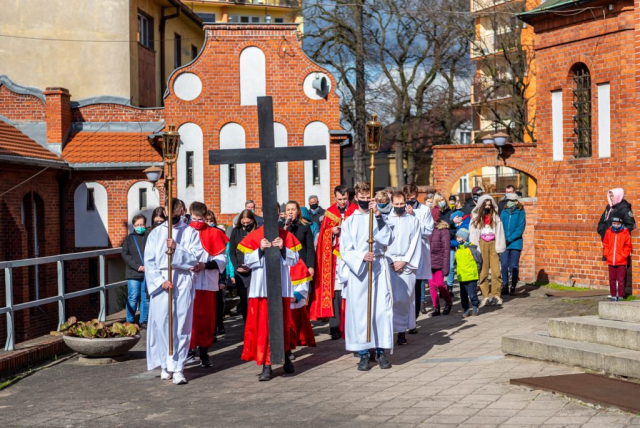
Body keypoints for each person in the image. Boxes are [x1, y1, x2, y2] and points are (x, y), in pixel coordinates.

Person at [144, 199, 204, 385]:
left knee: (181, 324)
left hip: (182, 279)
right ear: (165, 213)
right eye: (169, 213)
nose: (173, 216)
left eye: (176, 213)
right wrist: (159, 281)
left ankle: (178, 367)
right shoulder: (155, 234)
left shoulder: (190, 233)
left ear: (182, 211)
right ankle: (165, 363)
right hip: (163, 281)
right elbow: (149, 261)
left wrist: (177, 248)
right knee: (162, 323)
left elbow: (195, 258)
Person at [339, 181, 394, 371]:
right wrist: (361, 257)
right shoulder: (349, 221)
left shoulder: (378, 216)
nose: (364, 200)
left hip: (378, 266)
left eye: (367, 197)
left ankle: (380, 351)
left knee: (380, 311)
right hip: (360, 271)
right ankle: (363, 353)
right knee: (361, 312)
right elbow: (345, 249)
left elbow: (387, 239)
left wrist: (377, 215)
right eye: (361, 198)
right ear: (355, 198)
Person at [238, 218, 301, 381]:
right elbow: (247, 262)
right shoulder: (255, 236)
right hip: (262, 289)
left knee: (283, 324)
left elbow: (294, 260)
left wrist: (283, 248)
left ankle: (285, 355)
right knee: (263, 328)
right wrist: (259, 249)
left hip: (281, 288)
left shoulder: (286, 235)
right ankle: (266, 364)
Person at [310, 185, 357, 340]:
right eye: (339, 199)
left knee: (352, 290)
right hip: (335, 258)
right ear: (335, 198)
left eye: (345, 199)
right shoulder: (330, 213)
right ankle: (335, 326)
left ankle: (352, 325)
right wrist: (331, 232)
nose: (342, 202)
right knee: (336, 291)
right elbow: (323, 234)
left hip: (352, 257)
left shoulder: (355, 210)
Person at [186, 202, 229, 368]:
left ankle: (204, 352)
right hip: (188, 282)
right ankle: (189, 350)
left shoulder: (214, 233)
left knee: (205, 320)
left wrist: (205, 265)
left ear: (206, 217)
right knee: (189, 319)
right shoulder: (184, 232)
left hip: (207, 282)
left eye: (200, 219)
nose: (197, 222)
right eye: (194, 219)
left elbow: (222, 259)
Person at [385, 190, 422, 346]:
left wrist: (405, 261)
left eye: (402, 203)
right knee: (389, 298)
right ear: (391, 203)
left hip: (407, 263)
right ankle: (388, 331)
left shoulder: (413, 220)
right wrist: (392, 260)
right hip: (390, 262)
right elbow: (382, 242)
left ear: (406, 203)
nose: (399, 206)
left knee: (404, 298)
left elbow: (415, 242)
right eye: (396, 204)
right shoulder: (386, 220)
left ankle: (401, 331)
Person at [403, 183, 434, 330]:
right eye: (407, 198)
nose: (409, 201)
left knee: (416, 288)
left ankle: (413, 321)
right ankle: (404, 320)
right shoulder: (399, 208)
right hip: (404, 254)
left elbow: (428, 231)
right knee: (404, 289)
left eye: (412, 198)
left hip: (419, 252)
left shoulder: (424, 210)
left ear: (417, 196)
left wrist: (413, 217)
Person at [470, 195, 506, 307]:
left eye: (489, 205)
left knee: (496, 271)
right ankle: (485, 296)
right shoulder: (476, 217)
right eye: (485, 205)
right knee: (483, 271)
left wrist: (500, 246)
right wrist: (475, 247)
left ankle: (496, 295)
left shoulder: (496, 217)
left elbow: (500, 232)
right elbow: (473, 233)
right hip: (482, 243)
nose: (487, 207)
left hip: (494, 243)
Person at [121, 214, 150, 329]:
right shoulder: (129, 239)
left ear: (145, 224)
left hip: (147, 272)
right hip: (133, 273)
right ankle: (130, 321)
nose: (140, 227)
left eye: (142, 224)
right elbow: (125, 254)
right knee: (133, 297)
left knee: (145, 298)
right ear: (133, 226)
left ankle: (144, 321)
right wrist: (138, 267)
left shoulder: (149, 236)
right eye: (137, 225)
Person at [229, 209, 258, 322]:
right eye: (243, 223)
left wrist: (251, 266)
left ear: (253, 220)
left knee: (252, 298)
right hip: (240, 270)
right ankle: (247, 322)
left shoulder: (257, 231)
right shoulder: (236, 231)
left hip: (254, 270)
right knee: (243, 299)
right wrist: (236, 266)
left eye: (248, 222)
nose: (246, 225)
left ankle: (254, 321)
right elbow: (232, 251)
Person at [499, 193, 526, 295]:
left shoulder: (520, 212)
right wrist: (503, 239)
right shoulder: (504, 211)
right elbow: (500, 225)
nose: (509, 202)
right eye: (508, 200)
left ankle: (513, 286)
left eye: (511, 200)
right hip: (504, 242)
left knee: (514, 265)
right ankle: (505, 285)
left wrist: (510, 239)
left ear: (516, 201)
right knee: (504, 265)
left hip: (515, 242)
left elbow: (520, 228)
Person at [454, 228, 482, 317]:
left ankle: (475, 306)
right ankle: (466, 308)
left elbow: (479, 261)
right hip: (462, 277)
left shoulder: (472, 249)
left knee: (472, 293)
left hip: (471, 276)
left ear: (464, 238)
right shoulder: (458, 250)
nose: (457, 239)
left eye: (459, 237)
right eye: (457, 237)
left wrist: (477, 271)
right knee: (463, 295)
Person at [603, 217, 633, 301]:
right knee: (612, 279)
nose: (616, 225)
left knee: (621, 279)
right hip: (611, 259)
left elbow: (628, 246)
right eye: (614, 223)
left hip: (621, 260)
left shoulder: (625, 233)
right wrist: (607, 254)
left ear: (621, 224)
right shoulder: (608, 232)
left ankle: (620, 295)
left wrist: (623, 255)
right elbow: (605, 244)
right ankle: (613, 295)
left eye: (618, 224)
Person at [283, 201, 315, 277]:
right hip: (286, 264)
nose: (290, 212)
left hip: (301, 262)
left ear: (298, 211)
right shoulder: (281, 226)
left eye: (293, 209)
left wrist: (310, 266)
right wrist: (285, 228)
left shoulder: (304, 226)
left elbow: (310, 248)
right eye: (288, 210)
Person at [429, 220, 452, 316]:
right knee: (431, 285)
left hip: (439, 261)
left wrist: (445, 266)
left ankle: (448, 302)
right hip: (429, 261)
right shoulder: (427, 228)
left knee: (439, 284)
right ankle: (436, 307)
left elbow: (446, 250)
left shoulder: (443, 230)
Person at [446, 210, 470, 299]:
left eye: (454, 219)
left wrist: (449, 243)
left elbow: (461, 241)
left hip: (465, 251)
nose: (453, 222)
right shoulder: (461, 225)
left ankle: (466, 289)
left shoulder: (464, 226)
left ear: (458, 218)